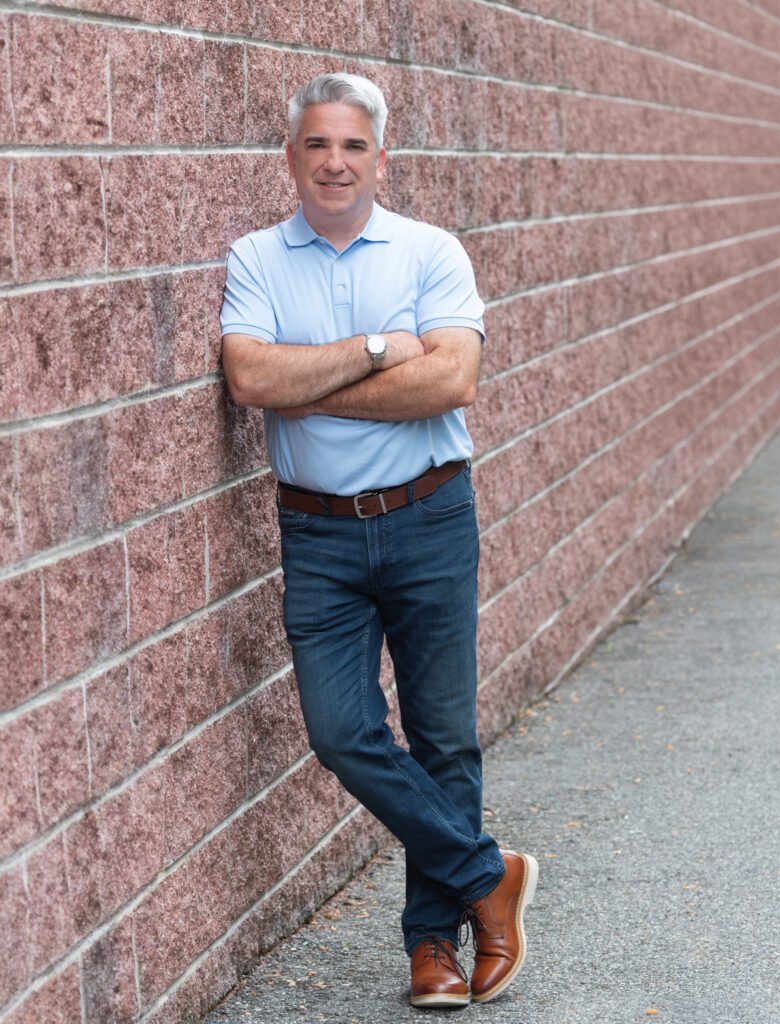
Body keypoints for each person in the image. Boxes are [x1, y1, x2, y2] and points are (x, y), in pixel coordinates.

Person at [219, 71, 537, 1007]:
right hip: (316, 534)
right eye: (316, 144)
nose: (333, 162)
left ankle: (432, 946)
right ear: (290, 156)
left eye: (352, 146)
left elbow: (449, 385)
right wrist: (374, 349)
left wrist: (304, 383)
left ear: (380, 157)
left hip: (430, 516)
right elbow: (247, 378)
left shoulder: (431, 252)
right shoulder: (254, 259)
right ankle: (489, 877)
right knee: (342, 733)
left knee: (443, 737)